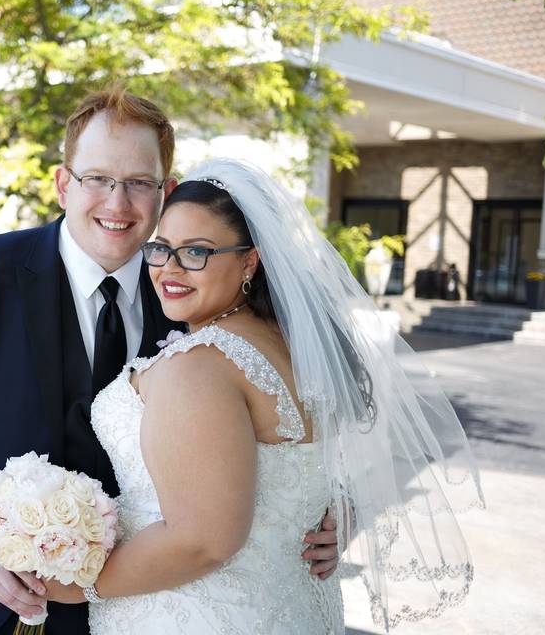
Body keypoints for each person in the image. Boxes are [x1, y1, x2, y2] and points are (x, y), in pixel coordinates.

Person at [0, 92, 340, 635]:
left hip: (143, 599)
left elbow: (277, 421)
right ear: (63, 184)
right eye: (97, 178)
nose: (117, 204)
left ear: (165, 192)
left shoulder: (192, 296)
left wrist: (327, 513)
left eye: (140, 183)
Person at [41, 159, 485, 633]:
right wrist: (343, 512)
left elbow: (203, 542)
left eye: (197, 252)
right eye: (161, 249)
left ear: (250, 260)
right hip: (297, 609)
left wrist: (78, 584)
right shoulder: (298, 348)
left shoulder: (198, 366)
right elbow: (309, 477)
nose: (168, 269)